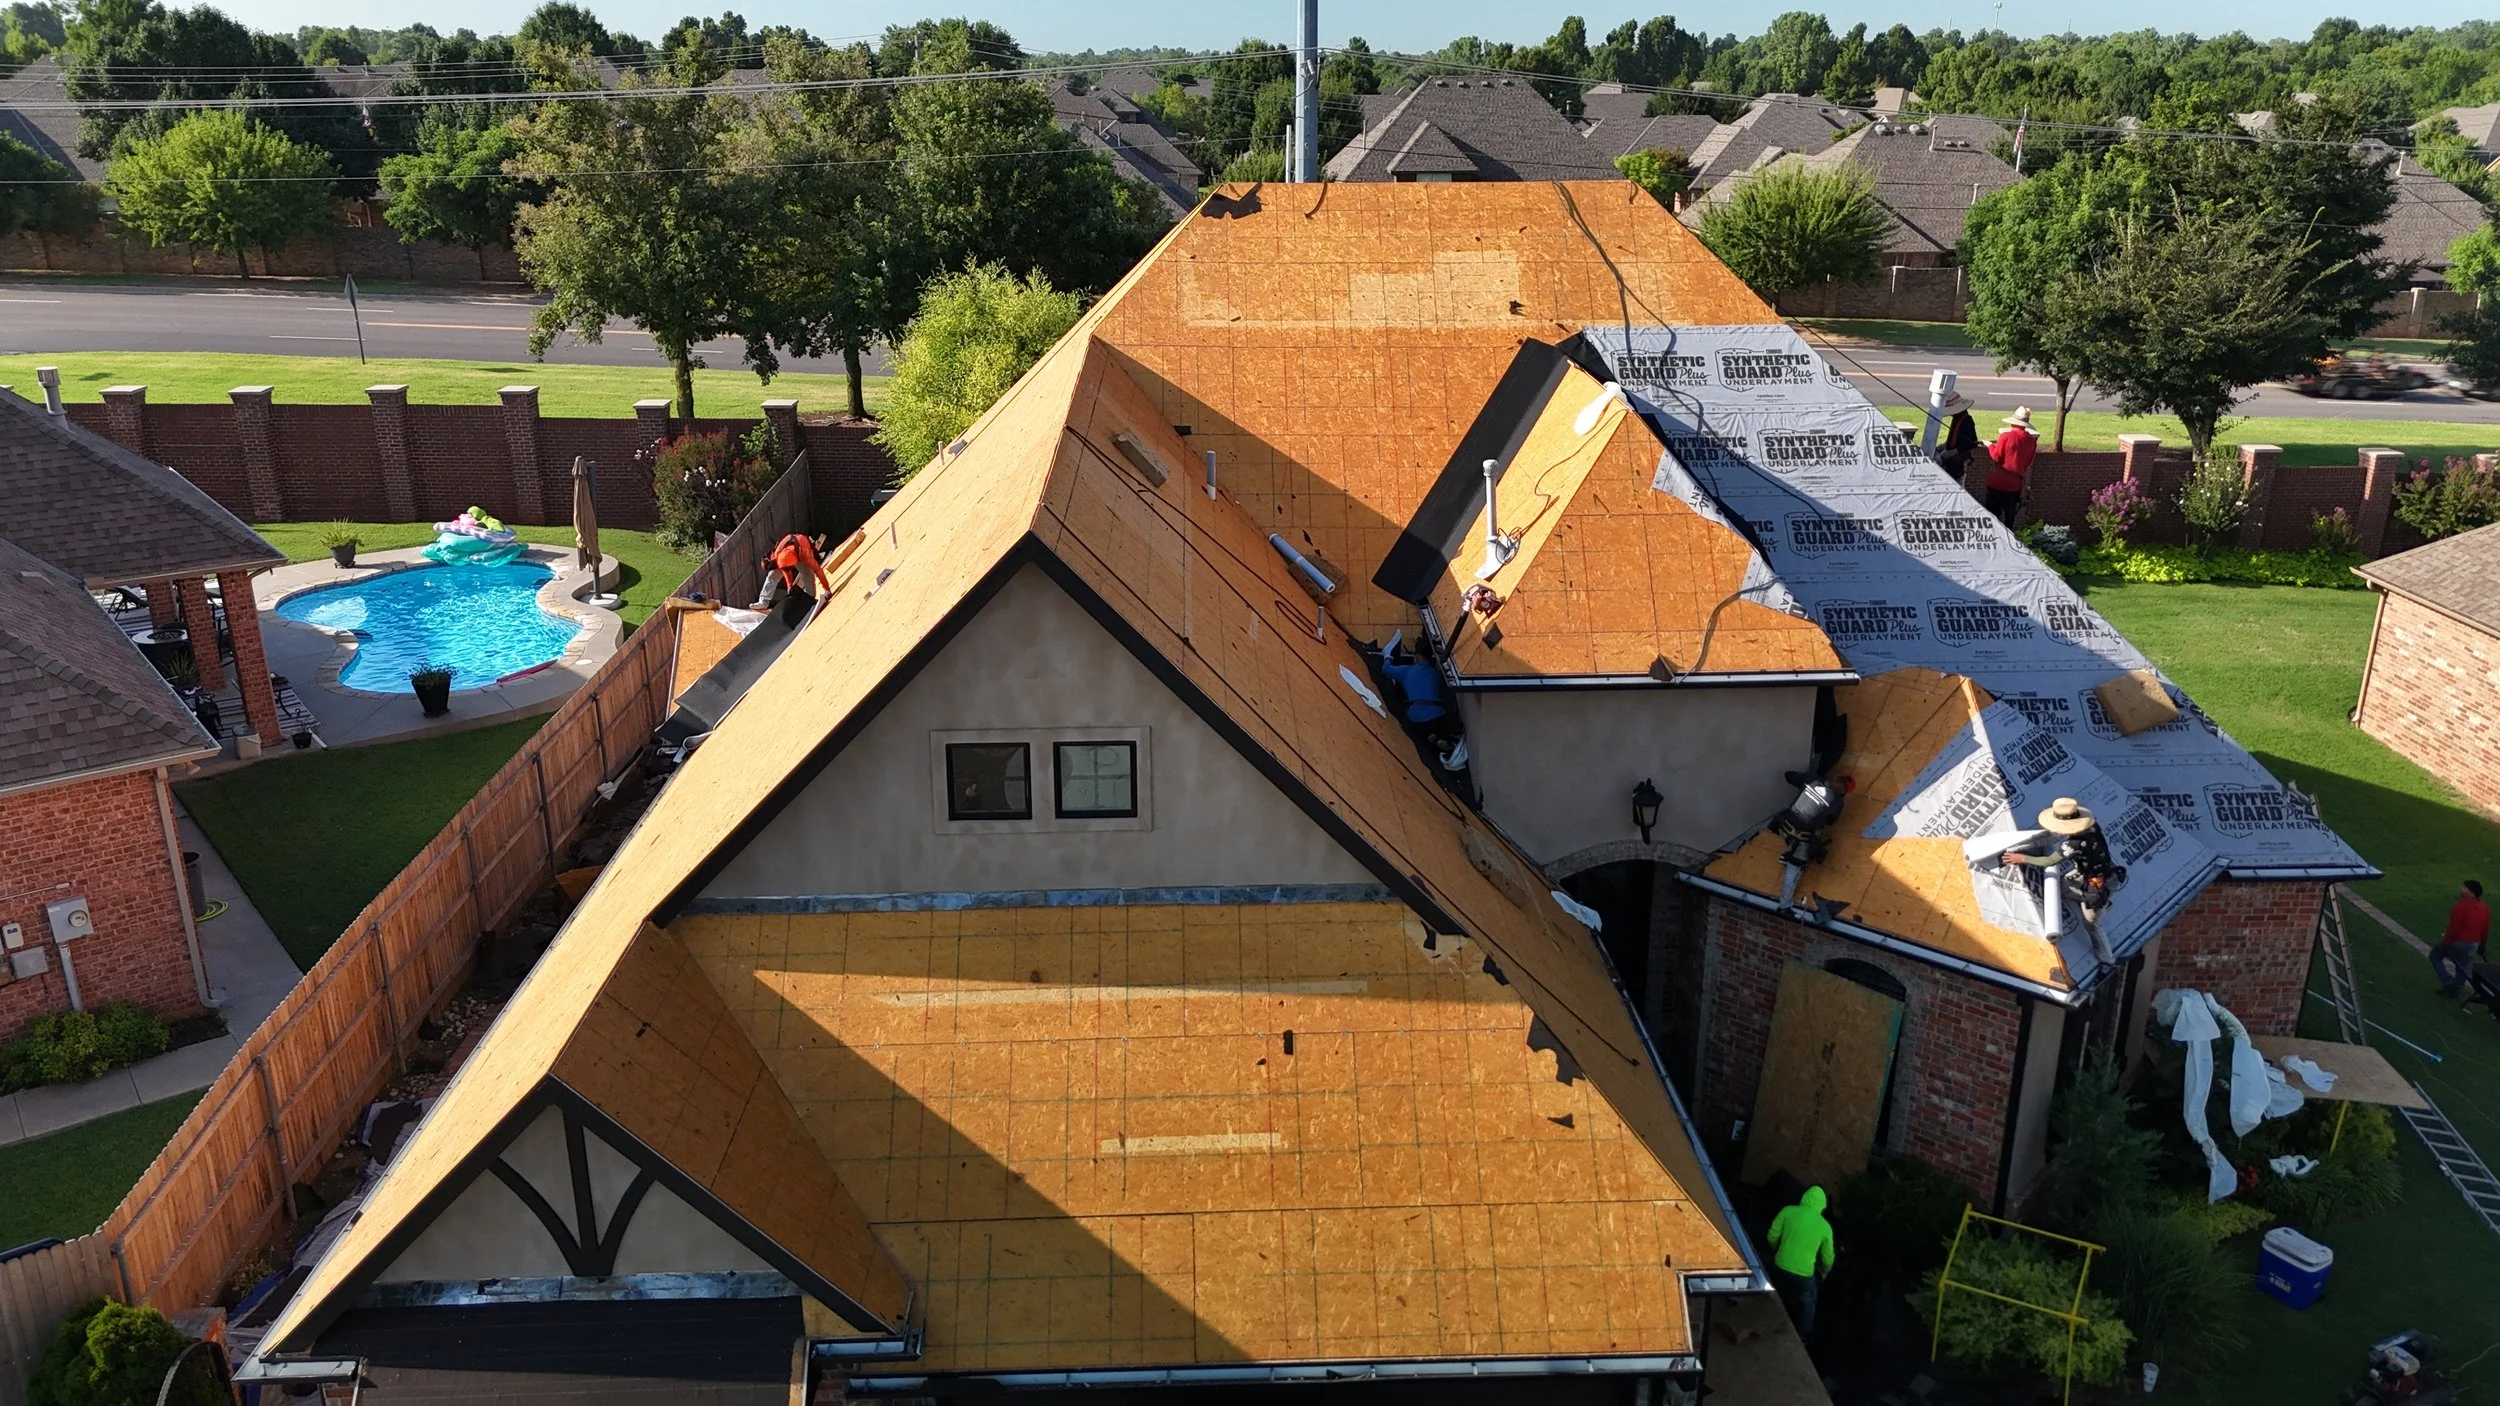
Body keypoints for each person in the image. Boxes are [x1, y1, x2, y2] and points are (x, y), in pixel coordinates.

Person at [1766, 1185, 1836, 1336]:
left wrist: (1776, 1250)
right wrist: (1824, 1271)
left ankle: (1763, 1318)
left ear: (1804, 1197)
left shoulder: (1788, 1211)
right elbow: (1828, 1258)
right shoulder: (1825, 1227)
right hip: (1804, 1275)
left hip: (1780, 1265)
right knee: (1808, 1304)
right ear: (1822, 1205)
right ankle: (1803, 1335)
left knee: (1772, 1295)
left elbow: (1772, 1235)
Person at [1981, 406, 2039, 526]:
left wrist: (1990, 446)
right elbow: (2028, 462)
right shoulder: (2031, 441)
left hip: (1997, 483)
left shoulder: (2005, 437)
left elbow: (1996, 457)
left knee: (1992, 516)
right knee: (2009, 518)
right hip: (2015, 486)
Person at [2433, 879, 2488, 998]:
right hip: (2473, 944)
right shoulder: (2484, 907)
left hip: (2459, 942)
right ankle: (2455, 992)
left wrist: (2446, 942)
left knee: (2435, 956)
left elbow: (2454, 928)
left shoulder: (2460, 906)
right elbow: (2485, 928)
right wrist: (2482, 945)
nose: (2461, 888)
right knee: (2462, 967)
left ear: (2471, 892)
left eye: (2464, 887)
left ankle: (2447, 981)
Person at [1933, 392, 1979, 482]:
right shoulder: (1957, 419)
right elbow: (1954, 438)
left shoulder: (1967, 421)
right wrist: (1944, 446)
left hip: (1958, 461)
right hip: (1950, 461)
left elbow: (1972, 442)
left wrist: (1952, 452)